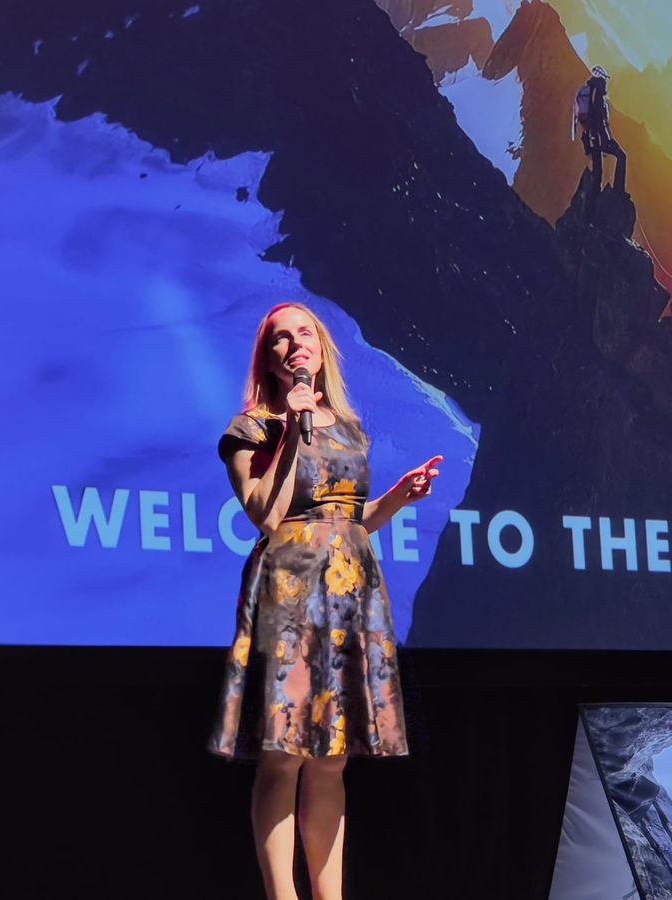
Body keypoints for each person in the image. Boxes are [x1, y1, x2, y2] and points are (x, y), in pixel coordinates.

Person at [208, 302, 442, 900]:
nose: (294, 345)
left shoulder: (349, 427)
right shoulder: (251, 429)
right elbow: (267, 512)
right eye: (279, 340)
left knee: (332, 758)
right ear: (269, 359)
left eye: (303, 333)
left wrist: (397, 496)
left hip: (349, 591)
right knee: (284, 752)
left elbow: (351, 521)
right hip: (289, 589)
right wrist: (289, 431)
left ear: (321, 347)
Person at [574, 65, 627, 194]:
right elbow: (599, 120)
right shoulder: (598, 94)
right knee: (622, 156)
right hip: (599, 137)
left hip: (591, 137)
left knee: (597, 170)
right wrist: (607, 140)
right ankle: (618, 191)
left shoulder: (590, 91)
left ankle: (591, 202)